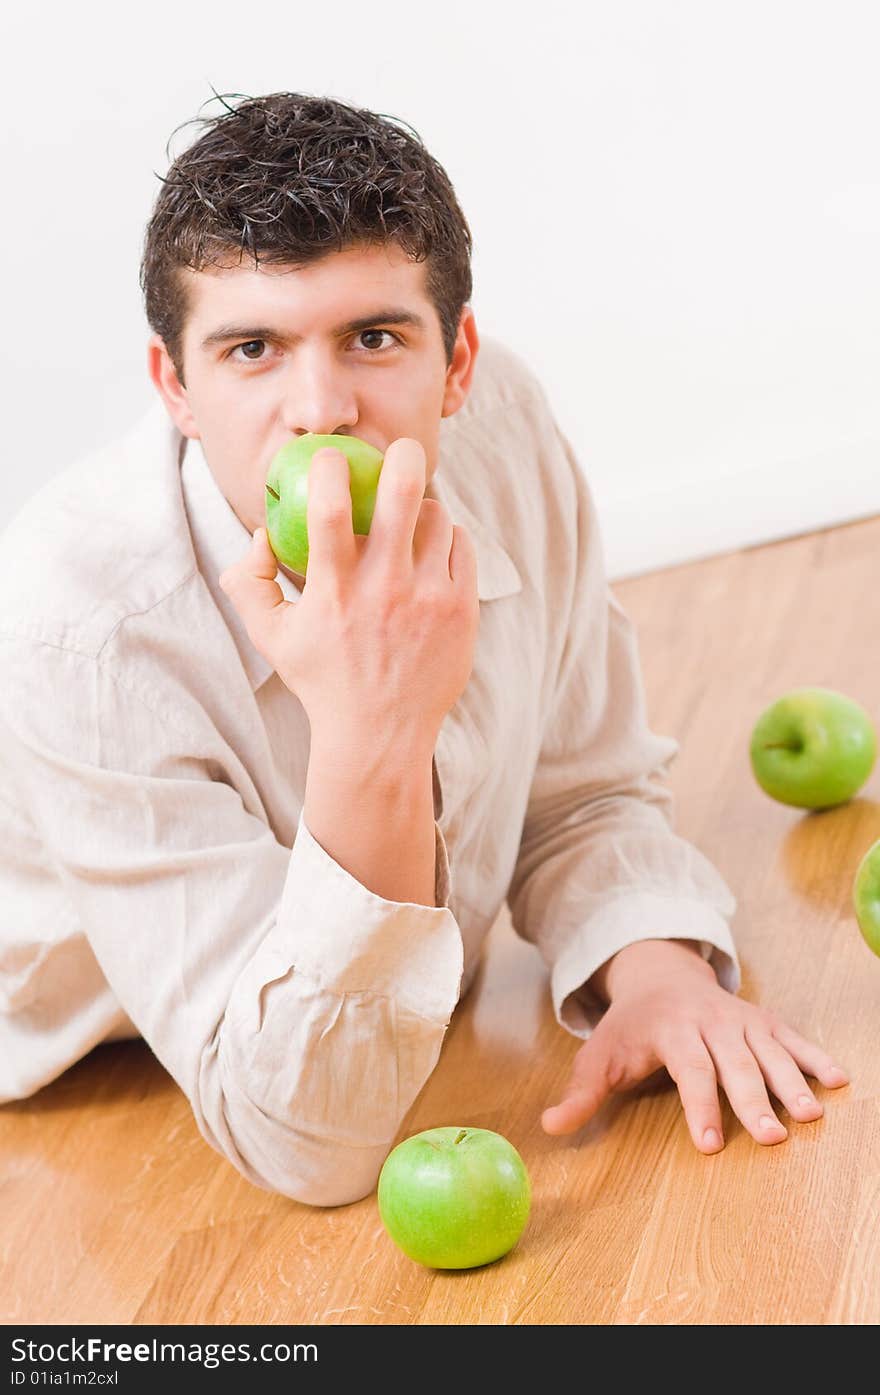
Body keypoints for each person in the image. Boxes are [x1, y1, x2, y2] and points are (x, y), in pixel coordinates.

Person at [0, 91, 848, 1206]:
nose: (320, 410)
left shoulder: (503, 432)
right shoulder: (80, 632)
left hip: (343, 1001)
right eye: (251, 348)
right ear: (177, 390)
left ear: (457, 361)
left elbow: (581, 789)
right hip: (97, 1086)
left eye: (373, 337)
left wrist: (654, 968)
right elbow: (310, 1147)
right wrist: (370, 729)